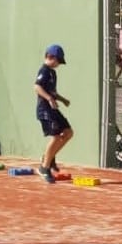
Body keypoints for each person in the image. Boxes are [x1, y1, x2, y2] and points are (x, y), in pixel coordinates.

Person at [35, 44, 73, 181]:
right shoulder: (44, 71)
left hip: (53, 109)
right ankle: (44, 168)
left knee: (68, 132)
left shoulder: (53, 72)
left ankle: (48, 158)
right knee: (56, 137)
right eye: (58, 61)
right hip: (45, 110)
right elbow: (37, 87)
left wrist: (62, 100)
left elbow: (53, 92)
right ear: (50, 57)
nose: (58, 65)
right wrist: (49, 99)